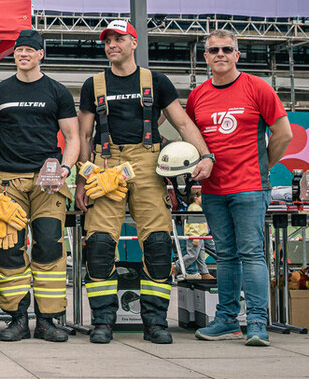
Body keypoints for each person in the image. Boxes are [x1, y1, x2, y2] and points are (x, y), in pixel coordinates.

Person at [76, 19, 213, 345]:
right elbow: (83, 135)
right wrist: (82, 179)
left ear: (134, 43)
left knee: (158, 244)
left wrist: (206, 156)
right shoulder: (93, 85)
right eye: (108, 41)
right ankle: (102, 322)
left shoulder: (157, 81)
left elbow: (183, 123)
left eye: (119, 39)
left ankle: (155, 323)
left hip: (149, 165)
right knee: (99, 245)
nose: (112, 45)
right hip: (105, 165)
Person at [187, 28, 292, 346]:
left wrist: (263, 167)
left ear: (237, 54)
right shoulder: (197, 96)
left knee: (252, 254)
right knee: (226, 256)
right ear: (205, 57)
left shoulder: (257, 88)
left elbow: (284, 133)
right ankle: (227, 321)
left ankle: (257, 323)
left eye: (226, 49)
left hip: (249, 187)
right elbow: (192, 139)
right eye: (213, 50)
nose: (220, 54)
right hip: (213, 190)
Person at [0, 29, 79, 343]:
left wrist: (66, 168)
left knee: (49, 246)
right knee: (9, 249)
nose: (23, 54)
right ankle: (18, 320)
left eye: (29, 50)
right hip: (8, 182)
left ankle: (47, 321)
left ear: (41, 54)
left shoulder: (58, 92)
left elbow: (73, 137)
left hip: (47, 183)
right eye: (19, 50)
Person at [179, 189, 211, 280]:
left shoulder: (197, 207)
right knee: (192, 255)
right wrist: (195, 237)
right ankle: (176, 266)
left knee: (201, 257)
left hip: (200, 236)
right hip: (196, 236)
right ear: (195, 197)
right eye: (201, 196)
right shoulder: (194, 208)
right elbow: (194, 224)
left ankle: (204, 273)